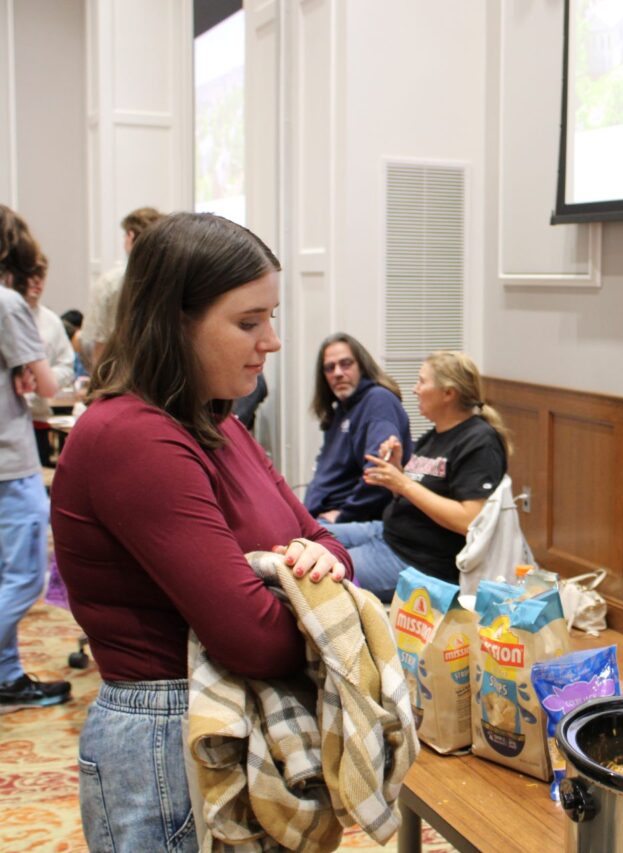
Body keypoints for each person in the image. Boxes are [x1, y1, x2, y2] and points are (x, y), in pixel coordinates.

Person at [50, 212, 352, 850]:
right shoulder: (133, 436)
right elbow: (252, 639)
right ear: (173, 322)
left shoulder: (221, 424)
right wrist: (329, 617)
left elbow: (327, 543)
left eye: (271, 316)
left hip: (221, 725)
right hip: (169, 742)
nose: (271, 340)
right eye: (248, 322)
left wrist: (316, 571)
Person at [325, 351, 510, 601]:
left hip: (420, 562)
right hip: (387, 534)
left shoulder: (479, 442)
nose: (415, 389)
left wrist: (402, 483)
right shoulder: (435, 435)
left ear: (448, 393)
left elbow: (469, 520)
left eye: (422, 381)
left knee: (320, 574)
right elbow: (416, 492)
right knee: (310, 534)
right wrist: (397, 470)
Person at [0, 205, 70, 708]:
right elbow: (49, 386)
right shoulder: (7, 304)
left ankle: (7, 677)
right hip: (9, 461)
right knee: (25, 578)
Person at [304, 332, 412, 523]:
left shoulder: (378, 400)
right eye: (329, 368)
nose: (337, 373)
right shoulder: (340, 409)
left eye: (346, 364)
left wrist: (344, 515)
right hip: (318, 513)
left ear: (362, 366)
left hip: (352, 520)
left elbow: (380, 471)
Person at [8, 256, 76, 466]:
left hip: (37, 416)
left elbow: (67, 365)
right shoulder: (8, 312)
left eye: (42, 277)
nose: (38, 282)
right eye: (32, 276)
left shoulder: (51, 321)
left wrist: (44, 379)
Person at [81, 206, 163, 367]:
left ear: (130, 236)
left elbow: (97, 341)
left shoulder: (110, 283)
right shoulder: (171, 281)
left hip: (118, 374)